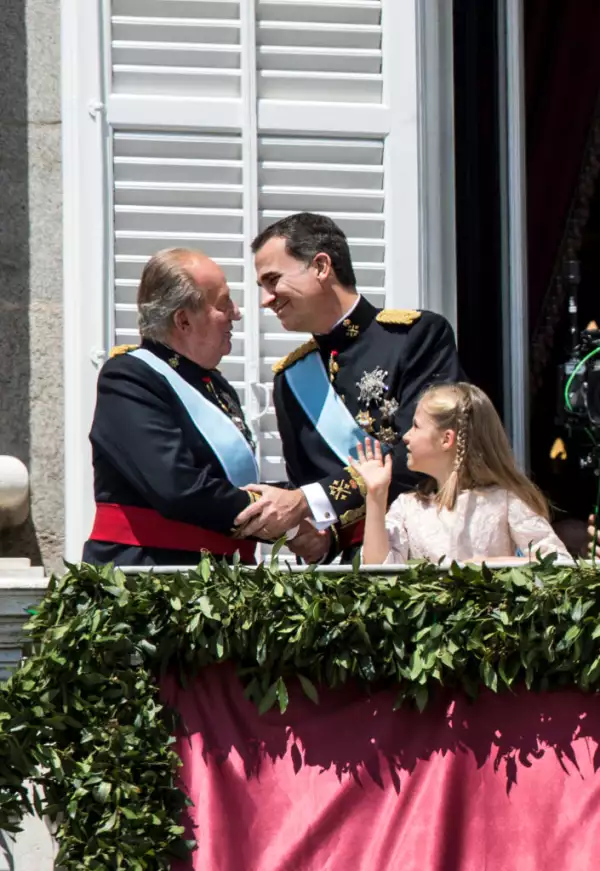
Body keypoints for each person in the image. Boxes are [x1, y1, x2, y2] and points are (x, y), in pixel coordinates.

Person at [234, 212, 463, 561]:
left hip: (428, 553)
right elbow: (308, 493)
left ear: (322, 267)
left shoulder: (417, 336)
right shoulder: (291, 379)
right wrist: (318, 537)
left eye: (273, 280)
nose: (267, 298)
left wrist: (308, 500)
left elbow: (430, 450)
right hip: (352, 574)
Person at [82, 248, 265, 566]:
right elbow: (178, 487)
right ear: (183, 320)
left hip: (224, 577)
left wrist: (298, 501)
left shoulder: (215, 385)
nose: (235, 313)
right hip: (148, 580)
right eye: (223, 304)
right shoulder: (129, 377)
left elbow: (227, 483)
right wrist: (277, 513)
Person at [351, 382, 570, 564]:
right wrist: (376, 496)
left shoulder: (504, 500)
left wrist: (487, 566)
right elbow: (378, 570)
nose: (406, 436)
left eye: (416, 426)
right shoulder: (408, 507)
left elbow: (559, 563)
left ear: (446, 439)